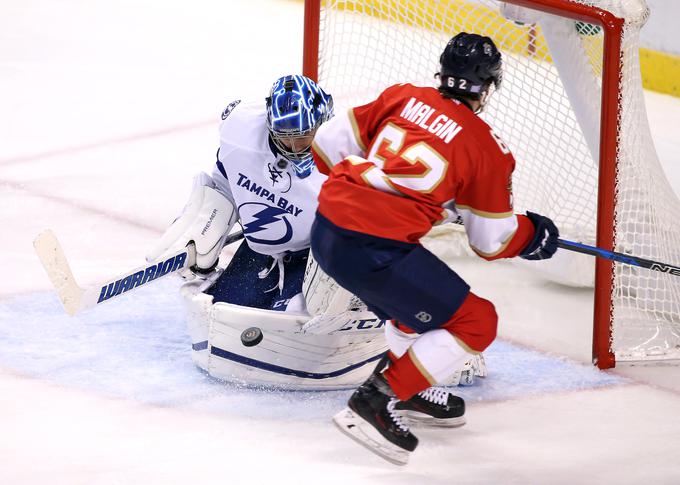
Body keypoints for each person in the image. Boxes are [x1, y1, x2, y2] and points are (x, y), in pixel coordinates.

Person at [310, 33, 559, 464]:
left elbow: (327, 147)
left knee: (411, 310)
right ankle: (378, 399)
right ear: (490, 86)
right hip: (375, 251)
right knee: (477, 322)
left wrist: (380, 191)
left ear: (442, 71)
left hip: (327, 231)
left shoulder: (402, 97)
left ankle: (414, 389)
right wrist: (531, 235)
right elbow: (490, 240)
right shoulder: (487, 149)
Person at [147, 74, 334, 313]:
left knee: (297, 314)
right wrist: (206, 223)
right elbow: (225, 182)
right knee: (217, 310)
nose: (295, 149)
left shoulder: (344, 158)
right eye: (286, 139)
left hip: (316, 258)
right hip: (262, 253)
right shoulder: (241, 132)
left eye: (303, 137)